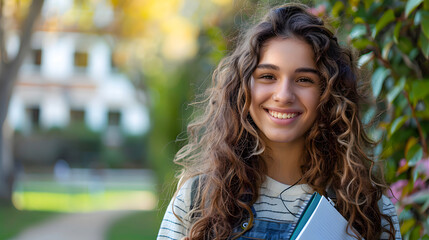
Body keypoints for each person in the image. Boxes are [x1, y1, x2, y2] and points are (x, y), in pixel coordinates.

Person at [157, 3, 402, 240]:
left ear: (328, 93)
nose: (284, 95)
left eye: (304, 79)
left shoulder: (368, 209)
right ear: (242, 88)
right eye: (268, 76)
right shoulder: (198, 201)